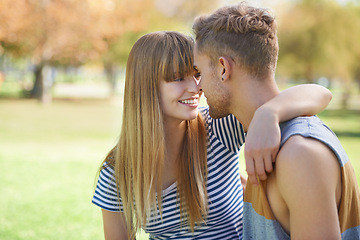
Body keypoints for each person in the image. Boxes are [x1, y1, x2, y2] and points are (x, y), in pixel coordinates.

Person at [92, 31, 332, 240]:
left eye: (196, 74)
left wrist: (269, 113)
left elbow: (319, 93)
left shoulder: (217, 127)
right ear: (145, 87)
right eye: (178, 77)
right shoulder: (117, 173)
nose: (196, 87)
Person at [192, 2, 360, 239]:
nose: (198, 87)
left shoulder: (298, 155)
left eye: (199, 72)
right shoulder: (265, 140)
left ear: (223, 69)